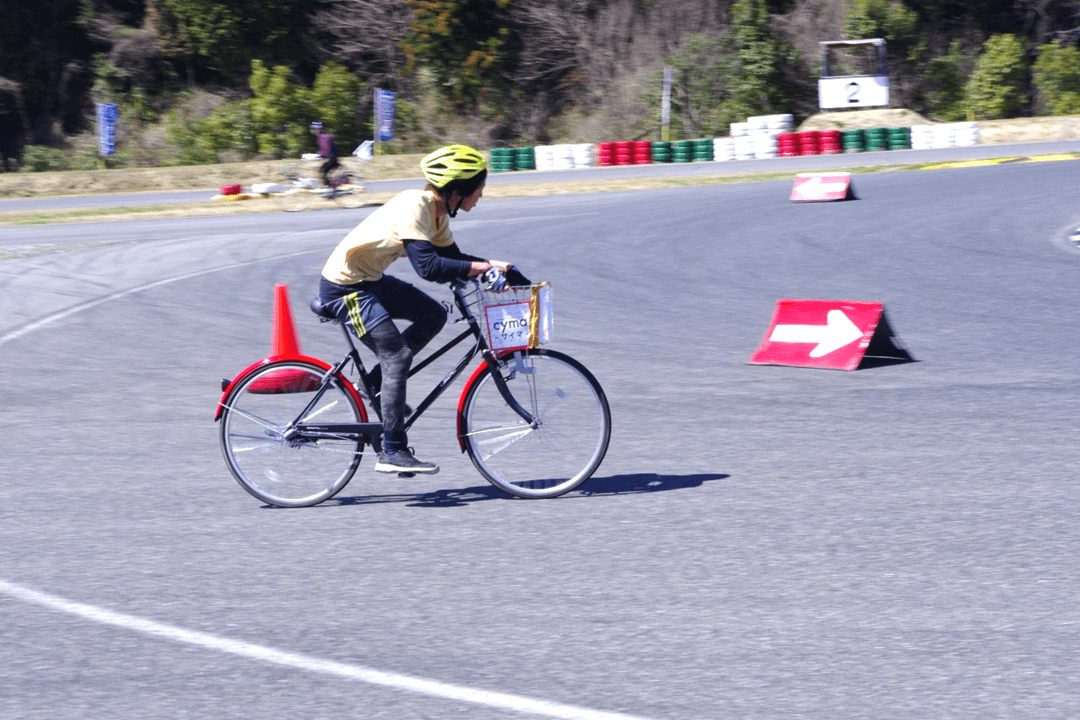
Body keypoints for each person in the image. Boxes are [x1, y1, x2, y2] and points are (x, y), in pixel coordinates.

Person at [317, 144, 525, 475]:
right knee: (397, 356)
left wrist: (498, 269)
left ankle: (372, 386)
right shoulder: (416, 204)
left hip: (370, 281)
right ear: (458, 191)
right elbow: (428, 267)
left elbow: (454, 260)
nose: (480, 196)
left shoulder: (438, 214)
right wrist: (484, 267)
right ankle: (392, 449)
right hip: (346, 288)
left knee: (433, 315)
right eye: (479, 189)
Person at [309, 121, 340, 187]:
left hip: (331, 158)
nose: (311, 131)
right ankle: (330, 185)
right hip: (332, 158)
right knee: (322, 172)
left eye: (312, 129)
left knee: (322, 172)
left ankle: (331, 186)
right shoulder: (323, 136)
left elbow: (326, 150)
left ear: (317, 130)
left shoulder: (322, 137)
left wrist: (317, 155)